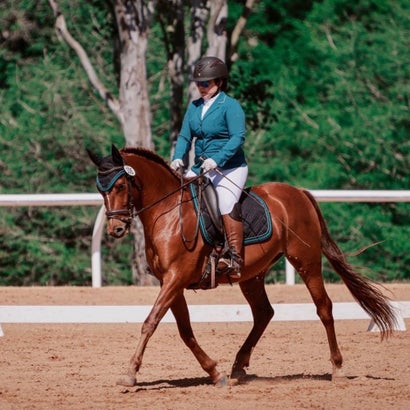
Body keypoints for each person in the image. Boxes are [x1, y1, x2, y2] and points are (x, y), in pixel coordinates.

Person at [170, 56, 248, 277]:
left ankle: (234, 257)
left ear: (220, 82)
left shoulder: (230, 106)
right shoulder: (194, 107)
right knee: (178, 200)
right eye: (198, 83)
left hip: (229, 168)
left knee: (224, 202)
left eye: (205, 83)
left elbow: (237, 138)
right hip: (201, 168)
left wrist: (217, 160)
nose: (201, 87)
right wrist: (178, 157)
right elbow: (185, 136)